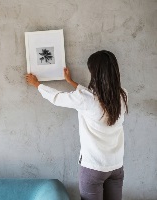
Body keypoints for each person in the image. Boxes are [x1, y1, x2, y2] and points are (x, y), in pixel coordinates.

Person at [25, 50, 128, 200]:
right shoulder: (122, 95)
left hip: (94, 168)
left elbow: (56, 98)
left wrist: (37, 84)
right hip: (116, 167)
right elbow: (95, 98)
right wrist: (71, 82)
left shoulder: (86, 99)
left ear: (95, 73)